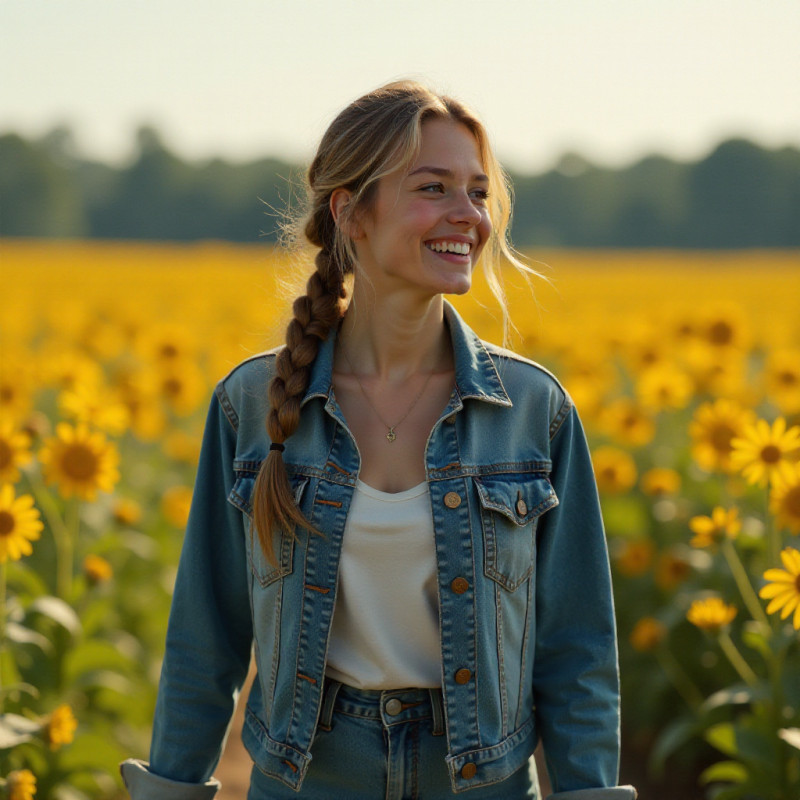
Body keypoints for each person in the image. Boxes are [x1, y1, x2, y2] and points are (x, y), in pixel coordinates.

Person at [121, 80, 637, 799]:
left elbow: (576, 648)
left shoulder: (533, 410)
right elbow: (206, 634)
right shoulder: (251, 403)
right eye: (435, 188)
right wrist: (173, 784)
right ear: (351, 212)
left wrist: (585, 789)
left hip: (479, 782)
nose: (469, 217)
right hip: (307, 778)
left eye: (479, 193)